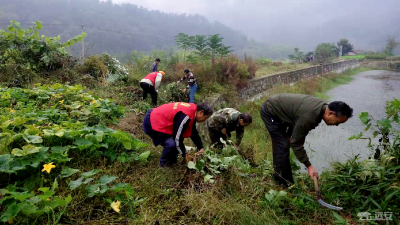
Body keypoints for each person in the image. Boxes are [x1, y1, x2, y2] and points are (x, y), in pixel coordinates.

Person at [260, 93, 353, 188]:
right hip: (270, 110)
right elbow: (296, 143)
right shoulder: (309, 116)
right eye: (337, 122)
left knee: (285, 143)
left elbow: (297, 118)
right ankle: (283, 183)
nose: (336, 125)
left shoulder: (322, 108)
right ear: (330, 113)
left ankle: (282, 177)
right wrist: (309, 166)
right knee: (282, 145)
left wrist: (290, 136)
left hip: (285, 113)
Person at [142, 102, 214, 167]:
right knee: (172, 143)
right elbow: (177, 138)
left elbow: (193, 131)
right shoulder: (186, 116)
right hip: (152, 122)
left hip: (159, 119)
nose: (204, 120)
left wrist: (200, 147)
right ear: (201, 112)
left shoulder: (192, 110)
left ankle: (172, 162)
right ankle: (163, 164)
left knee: (178, 142)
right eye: (206, 118)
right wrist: (184, 154)